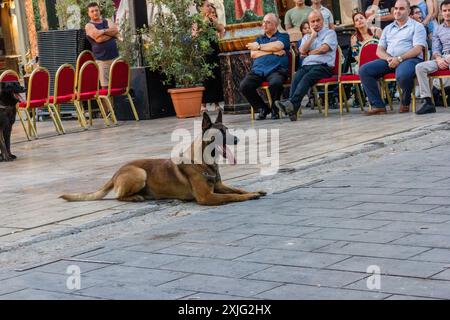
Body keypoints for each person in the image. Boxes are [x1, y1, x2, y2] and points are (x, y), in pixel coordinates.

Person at [360, 0, 427, 115]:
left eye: (401, 8)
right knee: (364, 70)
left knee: (402, 75)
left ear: (408, 11)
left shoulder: (417, 26)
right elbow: (379, 50)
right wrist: (389, 59)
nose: (397, 11)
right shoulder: (388, 28)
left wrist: (399, 59)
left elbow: (417, 49)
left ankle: (405, 101)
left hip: (410, 59)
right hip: (390, 59)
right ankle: (378, 106)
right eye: (396, 8)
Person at [275, 10, 338, 121]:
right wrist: (312, 37)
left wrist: (309, 53)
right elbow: (301, 50)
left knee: (306, 78)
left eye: (318, 20)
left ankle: (291, 105)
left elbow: (324, 49)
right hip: (308, 65)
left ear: (322, 21)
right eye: (312, 21)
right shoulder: (308, 36)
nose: (315, 23)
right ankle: (292, 109)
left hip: (323, 66)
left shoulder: (330, 33)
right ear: (309, 23)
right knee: (296, 77)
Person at [239, 13, 290, 120]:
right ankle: (262, 108)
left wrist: (259, 47)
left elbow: (278, 45)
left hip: (276, 70)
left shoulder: (283, 36)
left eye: (268, 22)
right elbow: (253, 54)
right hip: (258, 70)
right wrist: (272, 52)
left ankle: (275, 109)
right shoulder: (259, 39)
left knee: (276, 83)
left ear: (275, 25)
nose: (264, 24)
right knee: (244, 86)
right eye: (263, 22)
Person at [415, 0, 450, 114]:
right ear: (441, 13)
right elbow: (435, 49)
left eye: (449, 10)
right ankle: (428, 102)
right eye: (444, 11)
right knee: (420, 67)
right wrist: (438, 59)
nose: (447, 13)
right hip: (443, 58)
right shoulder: (438, 29)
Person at [198, 0, 225, 112]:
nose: (210, 8)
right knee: (206, 78)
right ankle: (203, 104)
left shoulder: (213, 18)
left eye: (210, 6)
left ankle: (216, 102)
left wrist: (214, 22)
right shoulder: (198, 20)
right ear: (201, 8)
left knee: (216, 75)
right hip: (204, 51)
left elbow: (221, 30)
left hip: (214, 49)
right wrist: (206, 20)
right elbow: (195, 33)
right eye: (207, 6)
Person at [85, 2, 120, 89]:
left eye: (96, 10)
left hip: (115, 58)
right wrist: (111, 34)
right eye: (92, 11)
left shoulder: (107, 20)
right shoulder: (89, 26)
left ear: (99, 10)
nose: (95, 13)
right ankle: (107, 104)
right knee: (105, 88)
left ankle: (114, 103)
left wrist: (103, 32)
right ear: (88, 13)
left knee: (117, 86)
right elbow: (98, 38)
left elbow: (115, 30)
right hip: (102, 61)